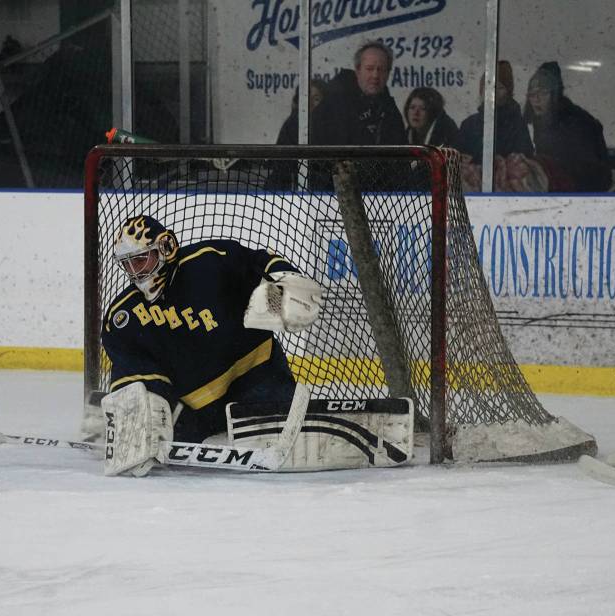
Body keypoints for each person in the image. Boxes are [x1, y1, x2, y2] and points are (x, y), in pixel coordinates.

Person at [100, 215, 322, 467]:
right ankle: (100, 421)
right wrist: (141, 420)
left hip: (258, 380)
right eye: (127, 265)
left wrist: (286, 280)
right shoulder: (122, 317)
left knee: (279, 428)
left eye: (140, 260)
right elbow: (136, 374)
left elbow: (258, 262)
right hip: (194, 414)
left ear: (165, 248)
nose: (135, 272)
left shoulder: (210, 262)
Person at [309, 40, 405, 190]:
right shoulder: (333, 106)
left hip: (382, 200)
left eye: (381, 69)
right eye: (369, 68)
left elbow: (399, 165)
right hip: (333, 198)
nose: (375, 75)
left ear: (388, 73)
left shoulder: (390, 110)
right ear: (357, 70)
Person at [523, 61, 611, 192]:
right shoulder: (542, 119)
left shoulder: (577, 122)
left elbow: (589, 170)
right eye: (532, 94)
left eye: (543, 92)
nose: (536, 99)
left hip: (585, 194)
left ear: (555, 94)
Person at [457, 60, 534, 162]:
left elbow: (521, 162)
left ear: (508, 92)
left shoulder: (517, 125)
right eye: (488, 85)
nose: (493, 92)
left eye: (500, 87)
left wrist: (475, 160)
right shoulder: (469, 124)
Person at [264, 78, 327, 190]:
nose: (310, 104)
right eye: (306, 98)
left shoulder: (332, 127)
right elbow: (282, 167)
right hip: (287, 189)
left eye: (316, 99)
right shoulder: (293, 123)